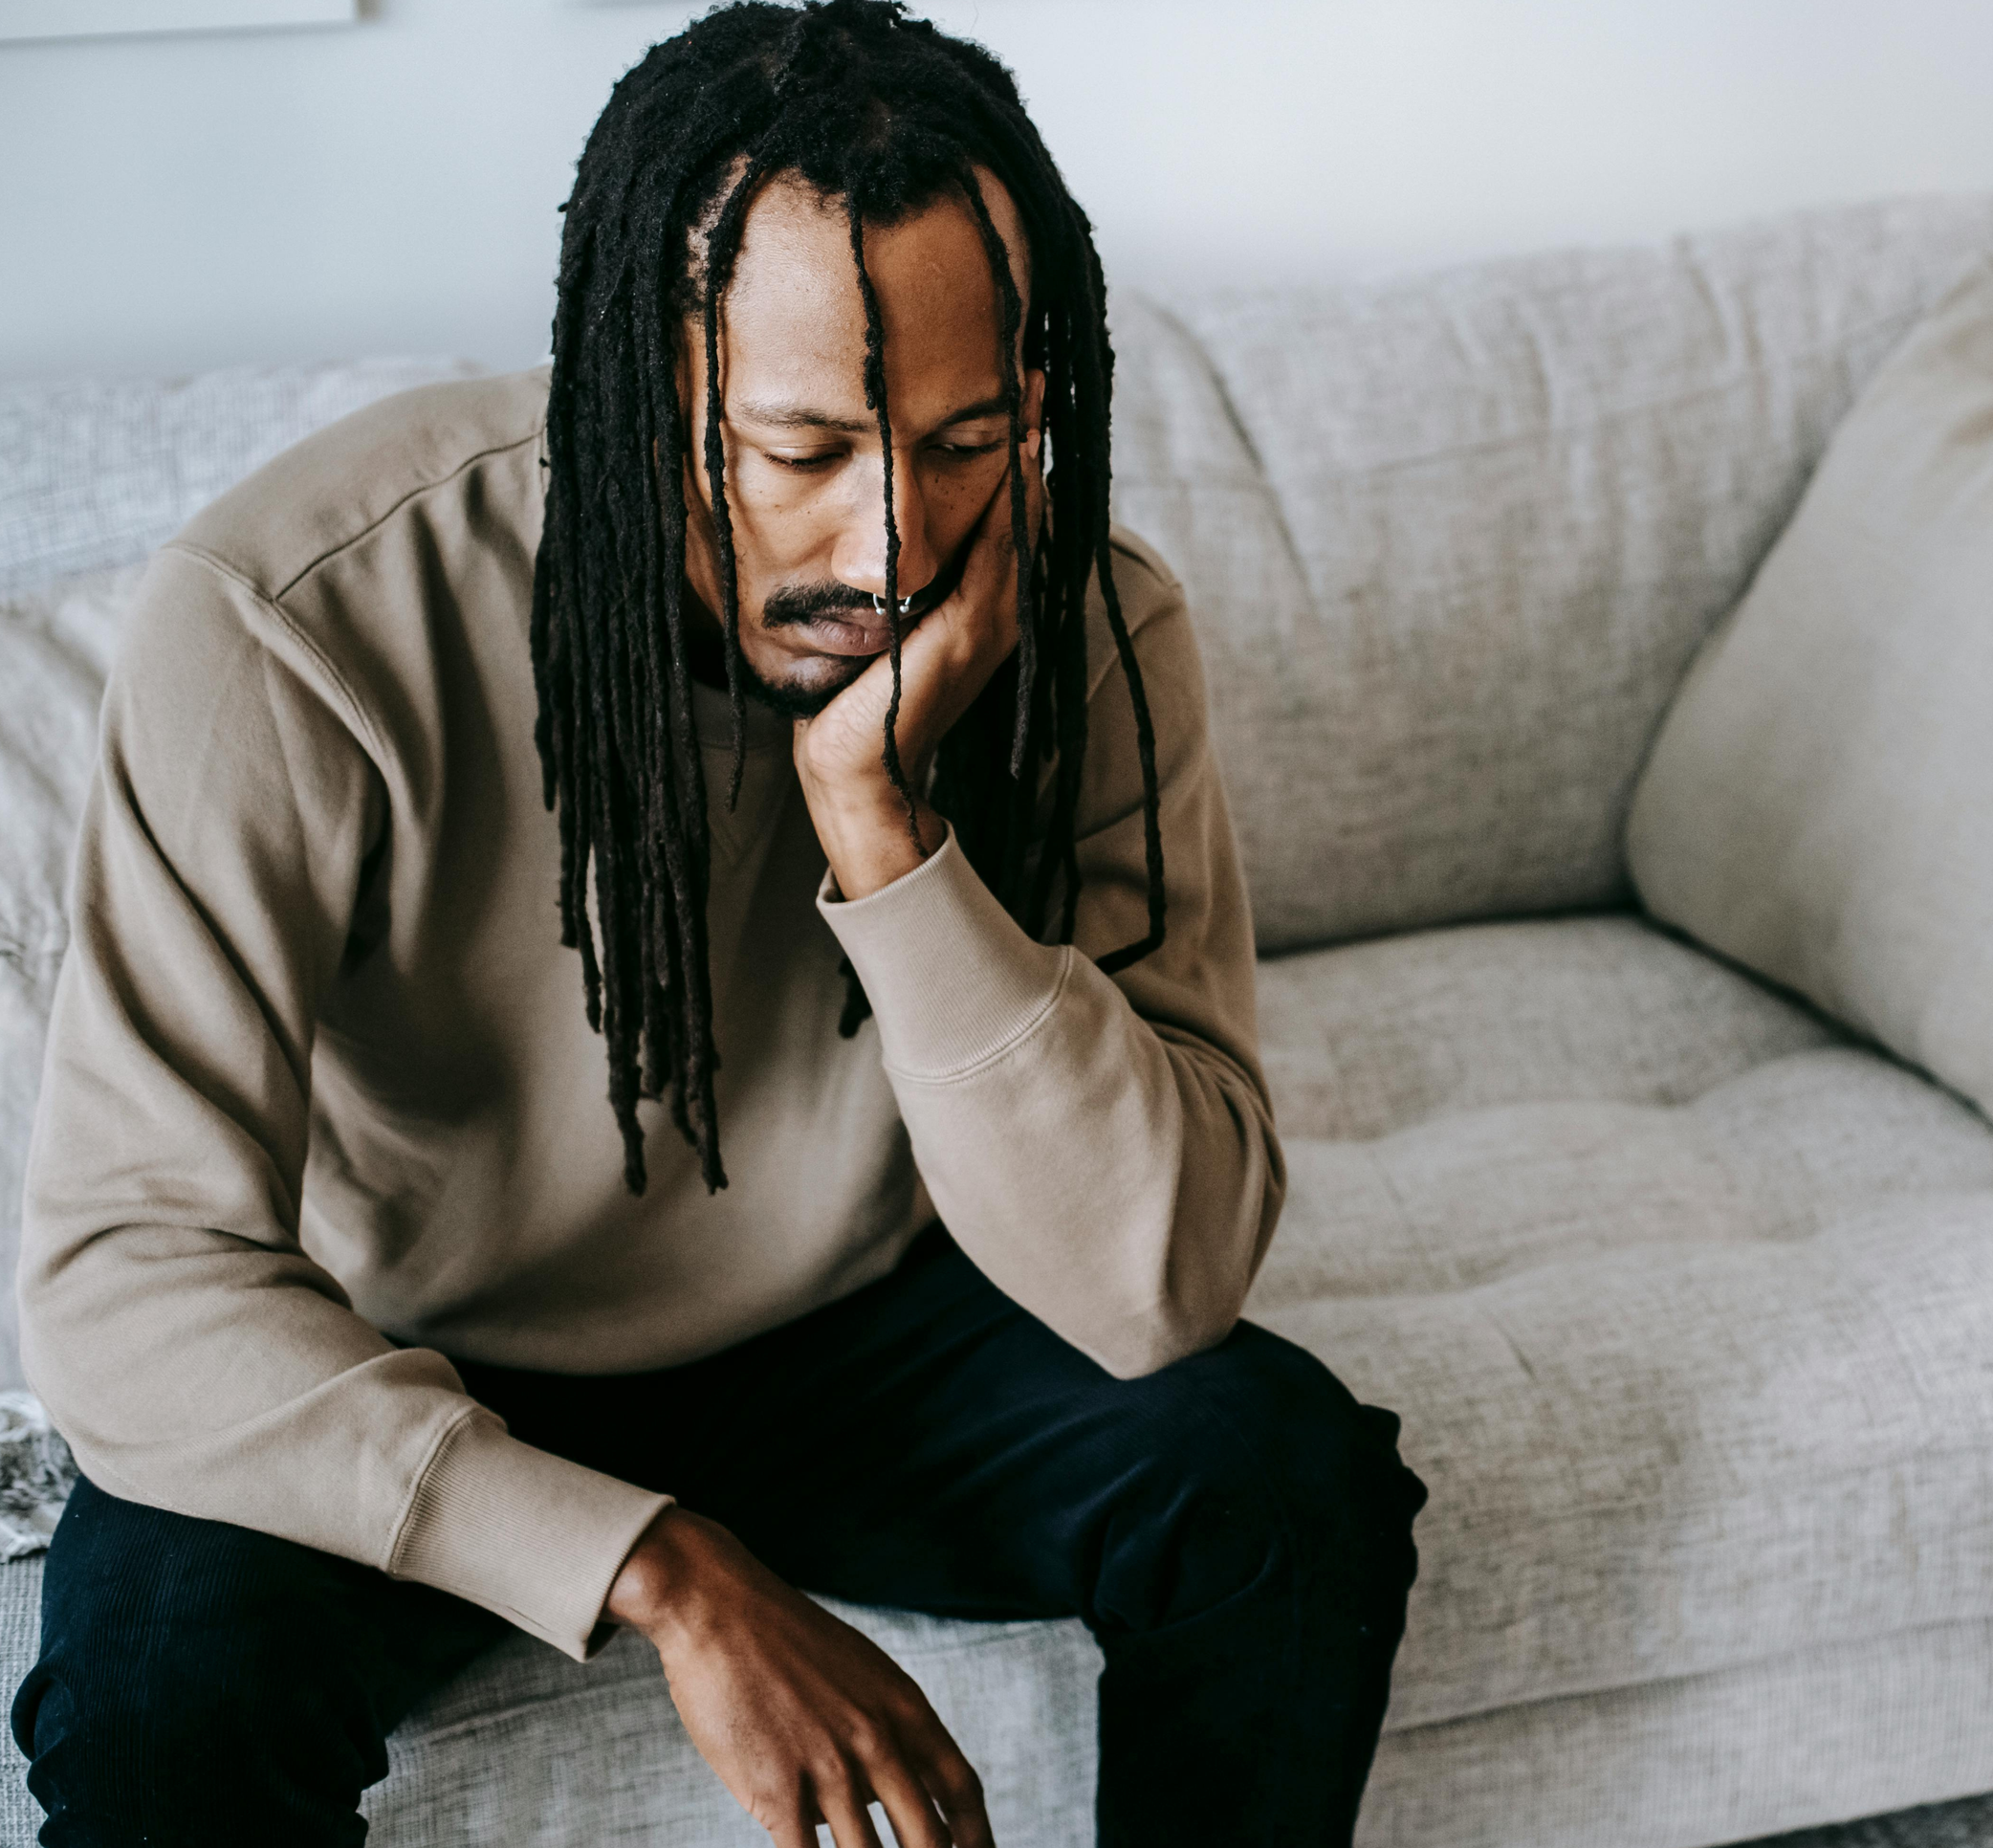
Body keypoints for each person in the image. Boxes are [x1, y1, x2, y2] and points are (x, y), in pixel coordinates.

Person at [11, 3, 1426, 1843]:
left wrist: (882, 828)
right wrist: (658, 1569)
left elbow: (1160, 1284)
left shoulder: (1080, 630)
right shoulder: (297, 622)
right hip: (414, 1348)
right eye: (802, 447)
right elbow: (124, 1284)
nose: (895, 544)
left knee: (1290, 1490)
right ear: (634, 388)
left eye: (967, 435)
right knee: (147, 1704)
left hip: (853, 1333)